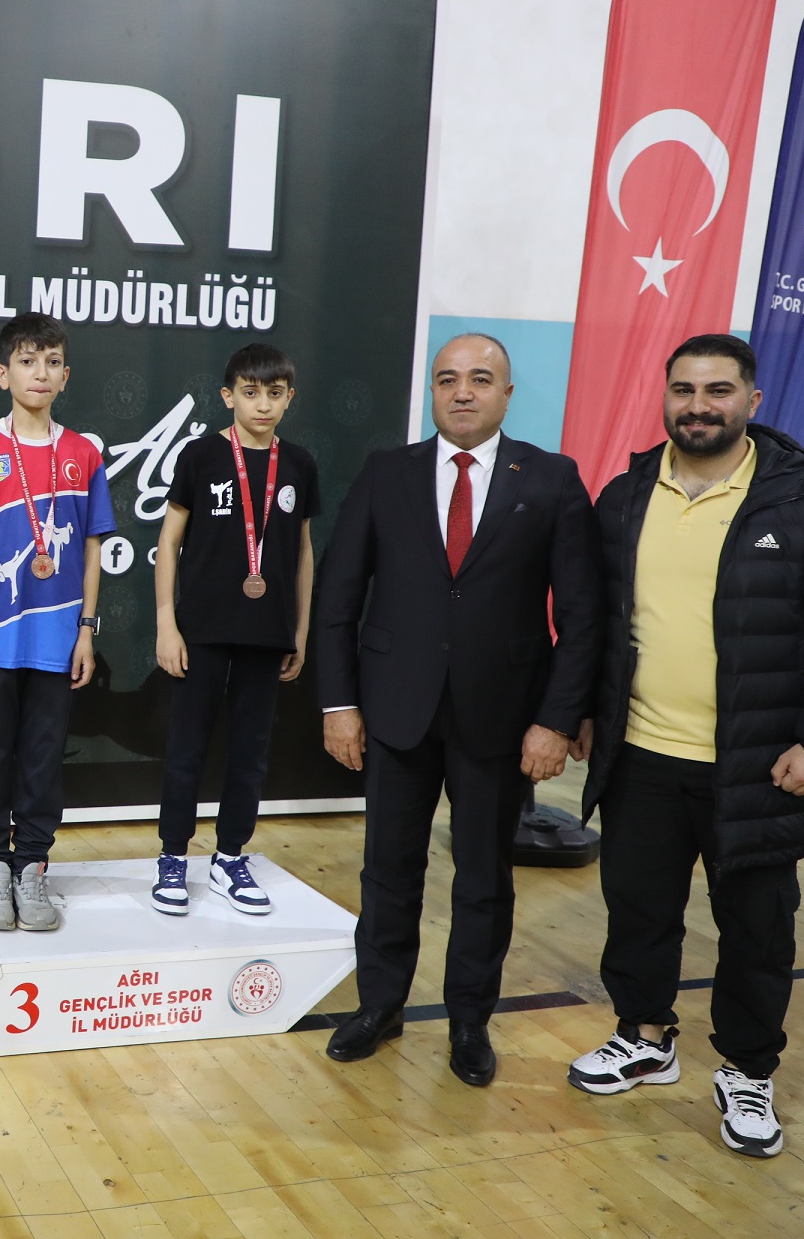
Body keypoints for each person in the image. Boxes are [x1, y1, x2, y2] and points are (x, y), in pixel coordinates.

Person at [566, 335, 804, 1159]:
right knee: (638, 911)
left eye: (717, 390)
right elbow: (600, 623)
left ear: (752, 399)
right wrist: (589, 713)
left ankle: (748, 1070)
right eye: (683, 389)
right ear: (665, 397)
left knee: (756, 930)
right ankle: (644, 1036)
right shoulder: (626, 494)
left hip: (758, 766)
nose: (698, 405)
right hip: (642, 754)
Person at [313, 332, 600, 1086]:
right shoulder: (386, 473)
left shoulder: (553, 478)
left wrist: (556, 720)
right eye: (447, 379)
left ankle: (470, 1021)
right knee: (387, 870)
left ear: (507, 393)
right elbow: (337, 599)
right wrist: (338, 703)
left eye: (479, 379)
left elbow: (581, 616)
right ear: (433, 392)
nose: (462, 392)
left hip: (502, 720)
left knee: (484, 879)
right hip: (394, 714)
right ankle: (379, 1006)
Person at [0, 311, 115, 931]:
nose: (40, 373)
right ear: (2, 373)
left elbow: (92, 548)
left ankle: (33, 864)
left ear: (66, 375)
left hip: (59, 640)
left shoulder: (83, 453)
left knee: (43, 757)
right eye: (27, 361)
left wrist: (87, 629)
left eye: (52, 362)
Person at [151, 342, 319, 916]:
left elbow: (303, 551)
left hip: (267, 632)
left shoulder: (299, 464)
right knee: (187, 748)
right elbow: (169, 540)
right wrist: (166, 622)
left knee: (251, 751)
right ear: (228, 396)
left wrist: (299, 630)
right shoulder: (200, 455)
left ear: (290, 397)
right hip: (201, 629)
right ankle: (173, 856)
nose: (262, 404)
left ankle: (229, 858)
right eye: (250, 393)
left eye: (274, 393)